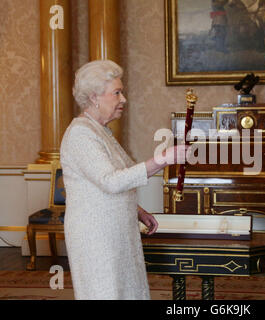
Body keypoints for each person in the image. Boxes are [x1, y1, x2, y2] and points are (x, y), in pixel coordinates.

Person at [60, 60, 189, 300]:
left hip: (116, 232)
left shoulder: (101, 131)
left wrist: (138, 211)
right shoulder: (81, 133)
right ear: (94, 97)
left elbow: (113, 179)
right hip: (96, 236)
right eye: (117, 93)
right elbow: (111, 182)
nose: (124, 99)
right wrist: (163, 159)